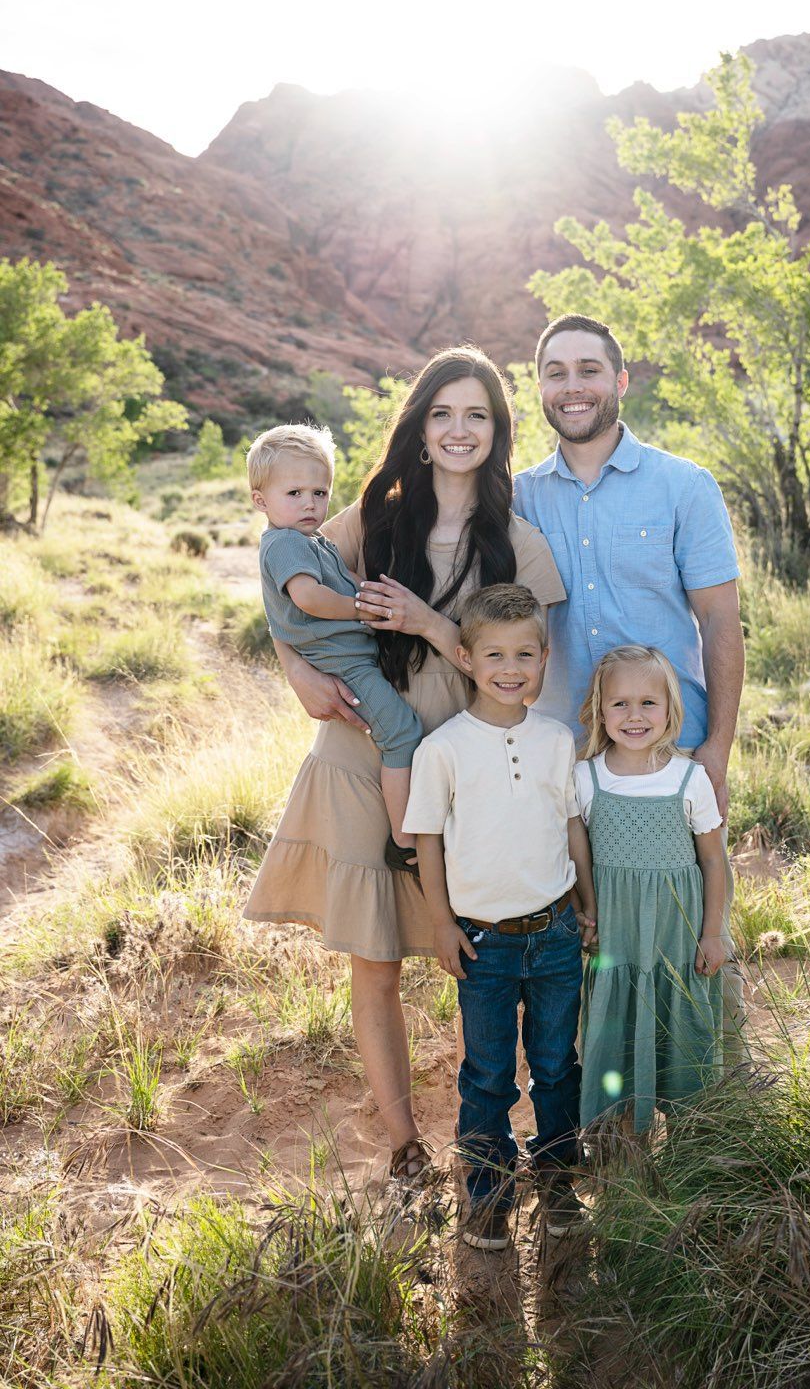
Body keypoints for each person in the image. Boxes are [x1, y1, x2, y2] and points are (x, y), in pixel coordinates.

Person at [242, 349, 566, 1188]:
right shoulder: (366, 520)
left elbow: (526, 669)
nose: (459, 431)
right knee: (376, 963)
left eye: (478, 416)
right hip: (361, 759)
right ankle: (401, 1144)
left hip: (468, 779)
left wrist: (428, 621)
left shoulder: (518, 546)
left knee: (472, 963)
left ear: (497, 435)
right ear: (420, 429)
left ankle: (480, 1141)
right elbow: (284, 582)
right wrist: (298, 674)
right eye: (443, 414)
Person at [512, 313, 748, 1063]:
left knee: (688, 912)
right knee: (584, 917)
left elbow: (719, 622)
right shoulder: (515, 498)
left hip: (667, 744)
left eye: (588, 369)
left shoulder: (683, 485)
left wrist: (715, 746)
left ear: (618, 381)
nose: (571, 386)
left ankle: (718, 1095)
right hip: (564, 749)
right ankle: (606, 1103)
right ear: (540, 388)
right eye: (555, 372)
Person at [405, 584, 597, 1251]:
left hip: (554, 933)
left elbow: (571, 824)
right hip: (483, 940)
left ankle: (559, 1182)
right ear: (465, 658)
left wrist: (586, 901)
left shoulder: (555, 740)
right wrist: (440, 924)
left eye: (525, 654)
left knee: (557, 1066)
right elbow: (426, 838)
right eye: (494, 654)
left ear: (544, 658)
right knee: (487, 1075)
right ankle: (486, 1195)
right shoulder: (445, 748)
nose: (510, 668)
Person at [248, 423, 421, 862]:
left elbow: (346, 581)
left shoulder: (314, 542)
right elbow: (308, 597)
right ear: (260, 500)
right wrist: (364, 609)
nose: (310, 503)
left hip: (356, 658)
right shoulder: (285, 543)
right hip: (345, 666)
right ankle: (405, 842)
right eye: (294, 493)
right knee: (402, 733)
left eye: (320, 493)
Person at [575, 645, 726, 1133]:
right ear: (600, 709)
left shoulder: (690, 778)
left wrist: (713, 933)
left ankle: (693, 1150)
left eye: (647, 703)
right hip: (616, 945)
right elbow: (578, 859)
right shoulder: (586, 777)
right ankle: (621, 1154)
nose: (634, 716)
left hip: (676, 946)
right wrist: (587, 914)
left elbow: (712, 860)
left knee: (682, 1047)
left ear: (670, 710)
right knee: (616, 1041)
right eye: (619, 703)